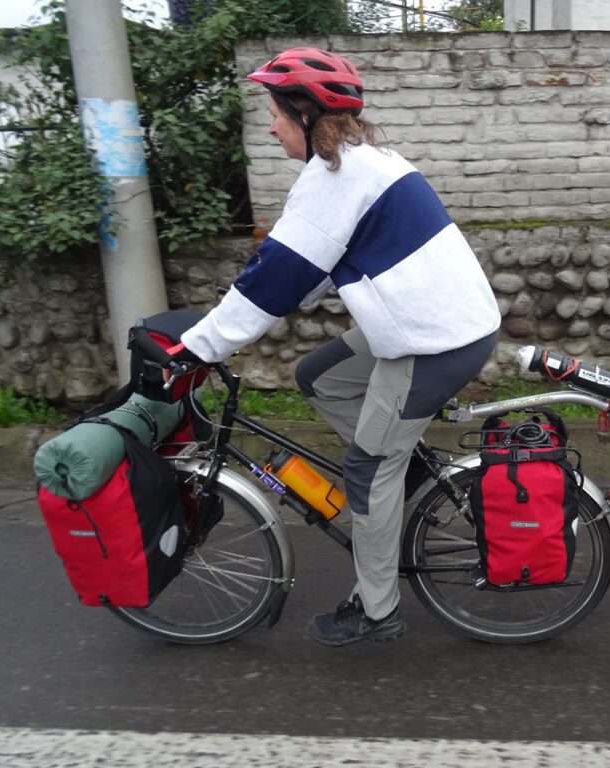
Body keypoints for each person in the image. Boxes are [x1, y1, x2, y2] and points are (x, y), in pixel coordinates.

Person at [175, 47, 501, 646]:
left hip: (430, 342)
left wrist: (196, 348)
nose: (270, 126)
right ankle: (398, 467)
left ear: (304, 112)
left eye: (274, 112)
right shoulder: (362, 164)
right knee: (320, 377)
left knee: (367, 466)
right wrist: (246, 303)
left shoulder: (336, 178)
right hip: (435, 323)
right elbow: (309, 267)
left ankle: (376, 610)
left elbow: (277, 278)